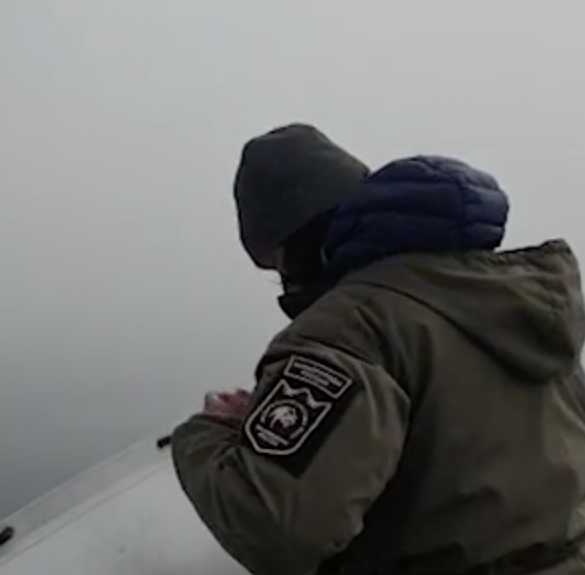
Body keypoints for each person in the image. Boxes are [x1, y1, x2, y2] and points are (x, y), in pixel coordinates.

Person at [169, 123, 585, 575]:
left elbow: (275, 529)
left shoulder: (349, 328)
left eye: (276, 263)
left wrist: (209, 435)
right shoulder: (512, 301)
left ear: (302, 241)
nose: (283, 283)